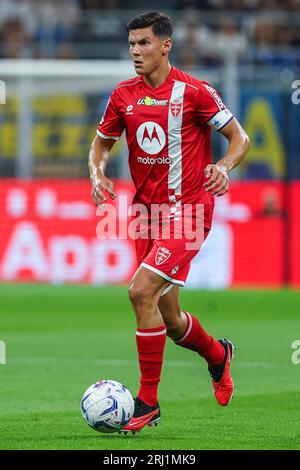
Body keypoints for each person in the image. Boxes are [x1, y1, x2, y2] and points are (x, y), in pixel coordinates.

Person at [88, 11, 250, 434]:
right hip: (146, 216)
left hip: (190, 210)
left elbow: (240, 138)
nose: (136, 52)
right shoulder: (123, 95)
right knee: (170, 316)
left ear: (165, 45)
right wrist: (97, 171)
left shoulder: (196, 92)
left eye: (144, 43)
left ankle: (148, 403)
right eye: (131, 45)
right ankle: (217, 354)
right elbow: (100, 144)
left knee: (140, 291)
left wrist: (225, 166)